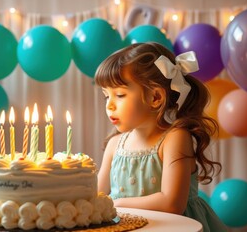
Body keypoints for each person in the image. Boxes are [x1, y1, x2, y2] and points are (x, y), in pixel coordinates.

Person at [95, 42, 227, 232]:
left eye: (120, 95)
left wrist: (117, 203)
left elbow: (172, 203)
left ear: (155, 97)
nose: (109, 105)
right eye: (106, 96)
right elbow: (97, 196)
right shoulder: (115, 144)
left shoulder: (175, 138)